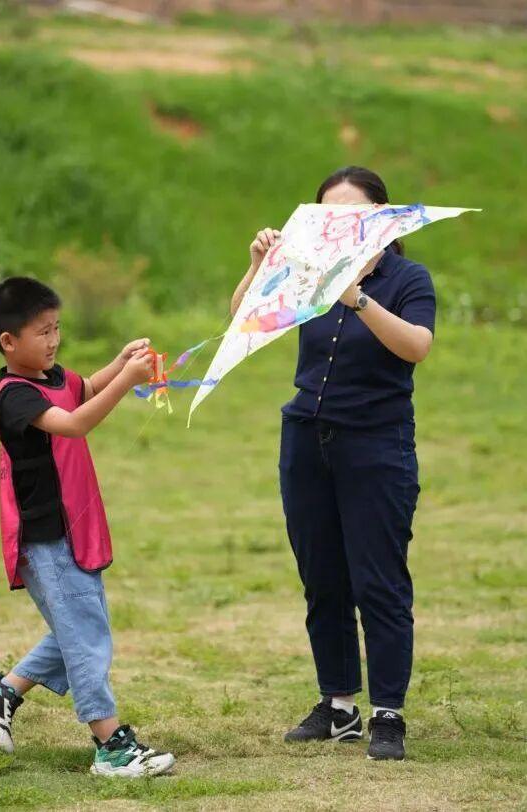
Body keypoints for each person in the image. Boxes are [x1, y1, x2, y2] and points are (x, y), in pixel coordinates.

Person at [231, 167, 436, 760]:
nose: (333, 224)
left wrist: (358, 297)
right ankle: (339, 706)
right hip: (306, 438)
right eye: (323, 214)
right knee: (322, 579)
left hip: (376, 444)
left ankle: (388, 715)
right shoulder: (307, 273)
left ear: (381, 217)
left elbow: (417, 345)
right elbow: (244, 318)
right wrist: (257, 265)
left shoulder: (407, 278)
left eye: (347, 214)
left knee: (379, 582)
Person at [0, 276, 175, 778]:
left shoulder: (52, 375)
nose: (54, 340)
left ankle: (1, 694)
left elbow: (84, 389)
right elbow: (74, 421)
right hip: (45, 537)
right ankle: (111, 746)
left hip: (77, 531)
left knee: (80, 628)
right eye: (42, 332)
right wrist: (128, 382)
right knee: (85, 636)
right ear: (9, 342)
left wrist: (121, 366)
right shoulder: (13, 396)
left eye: (57, 328)